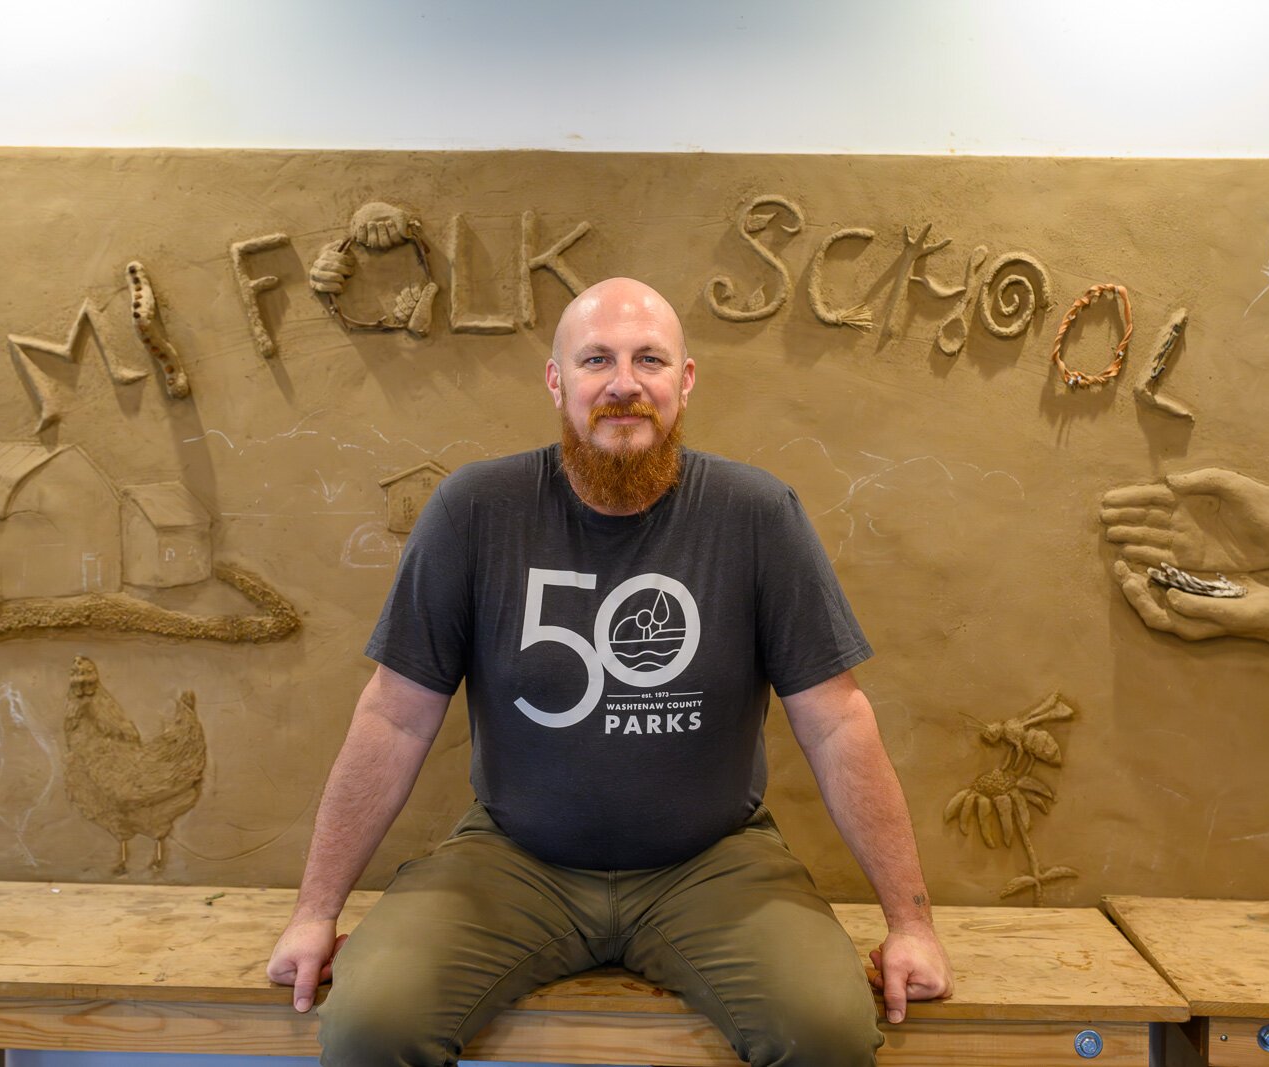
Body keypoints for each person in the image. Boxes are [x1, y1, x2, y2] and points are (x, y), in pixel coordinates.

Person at [267, 277, 954, 1066]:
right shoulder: (474, 510)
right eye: (597, 359)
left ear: (684, 380)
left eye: (649, 359)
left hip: (711, 863)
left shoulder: (757, 515)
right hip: (515, 859)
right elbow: (393, 715)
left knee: (826, 1031)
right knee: (368, 1026)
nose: (623, 383)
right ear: (557, 382)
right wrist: (316, 911)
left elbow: (837, 721)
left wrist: (911, 925)